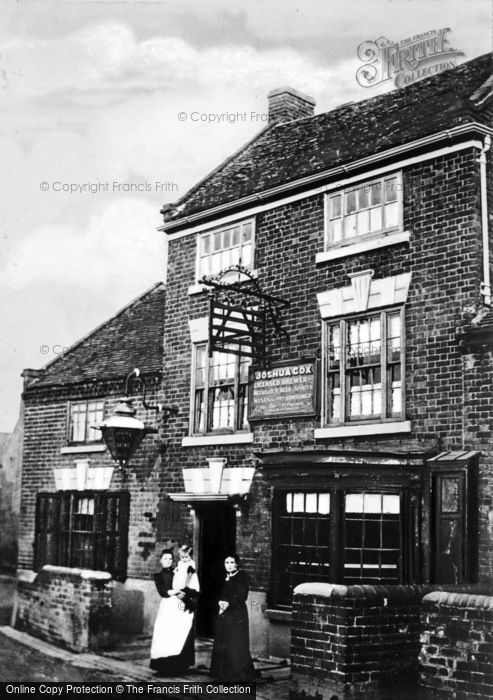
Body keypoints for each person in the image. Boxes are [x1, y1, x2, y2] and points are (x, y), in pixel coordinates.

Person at [150, 545, 200, 675]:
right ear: (161, 560)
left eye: (170, 558)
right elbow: (163, 592)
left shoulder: (178, 570)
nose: (168, 561)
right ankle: (163, 665)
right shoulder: (158, 575)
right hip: (167, 606)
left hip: (179, 606)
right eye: (165, 558)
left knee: (178, 632)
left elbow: (187, 583)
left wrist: (186, 591)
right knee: (164, 632)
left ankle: (179, 664)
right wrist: (176, 592)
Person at [210, 553, 256, 682]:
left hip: (237, 614)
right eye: (226, 563)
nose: (229, 565)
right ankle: (222, 674)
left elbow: (242, 596)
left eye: (231, 562)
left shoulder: (242, 577)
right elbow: (220, 593)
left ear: (236, 564)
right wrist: (220, 602)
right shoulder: (225, 577)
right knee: (223, 642)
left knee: (236, 643)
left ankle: (237, 675)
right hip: (225, 614)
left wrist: (229, 603)